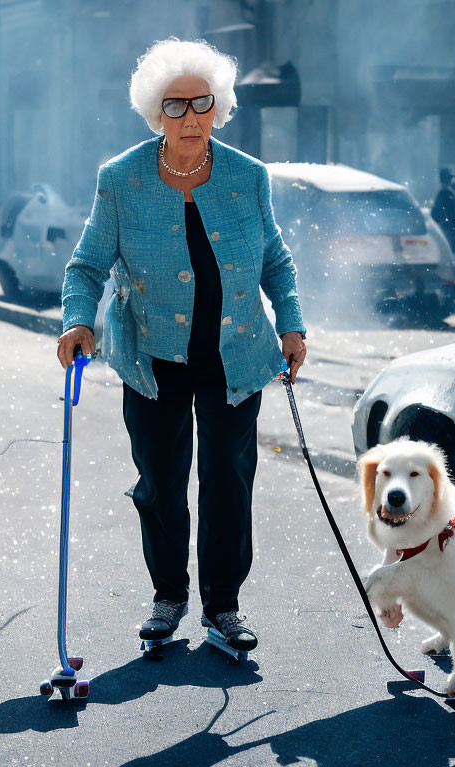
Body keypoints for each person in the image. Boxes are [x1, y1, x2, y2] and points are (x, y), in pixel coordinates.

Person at [56, 37, 307, 653]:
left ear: (219, 107)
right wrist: (77, 321)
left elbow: (275, 259)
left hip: (236, 356)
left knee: (227, 478)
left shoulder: (249, 177)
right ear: (153, 113)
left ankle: (223, 606)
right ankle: (169, 595)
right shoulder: (122, 179)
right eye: (174, 105)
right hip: (152, 358)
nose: (190, 116)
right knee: (161, 483)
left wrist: (292, 322)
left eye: (202, 103)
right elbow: (86, 267)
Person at [430, 167, 455, 249]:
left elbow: (434, 214)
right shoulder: (446, 194)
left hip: (447, 228)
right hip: (450, 229)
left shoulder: (443, 193)